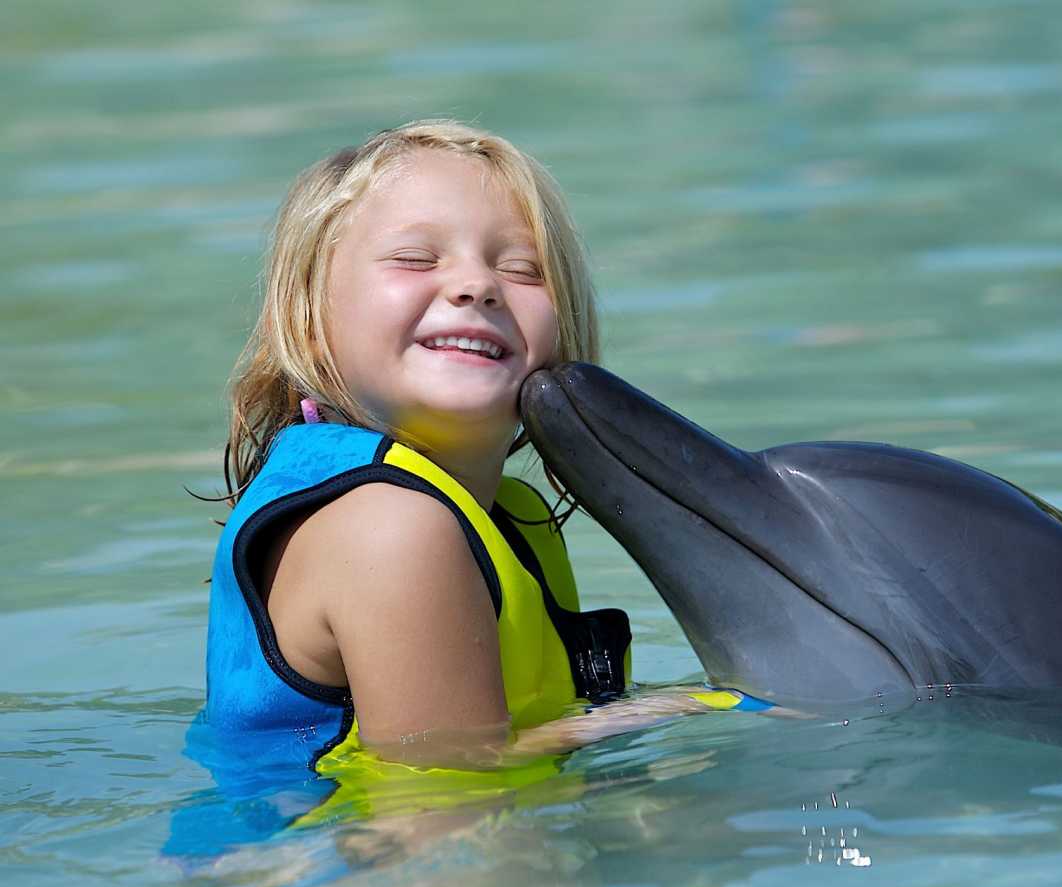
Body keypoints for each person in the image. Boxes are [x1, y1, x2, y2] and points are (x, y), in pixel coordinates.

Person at [200, 120, 766, 779]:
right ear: (309, 318)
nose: (476, 286)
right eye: (415, 259)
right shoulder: (389, 526)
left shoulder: (493, 513)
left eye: (521, 269)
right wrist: (690, 709)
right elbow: (445, 803)